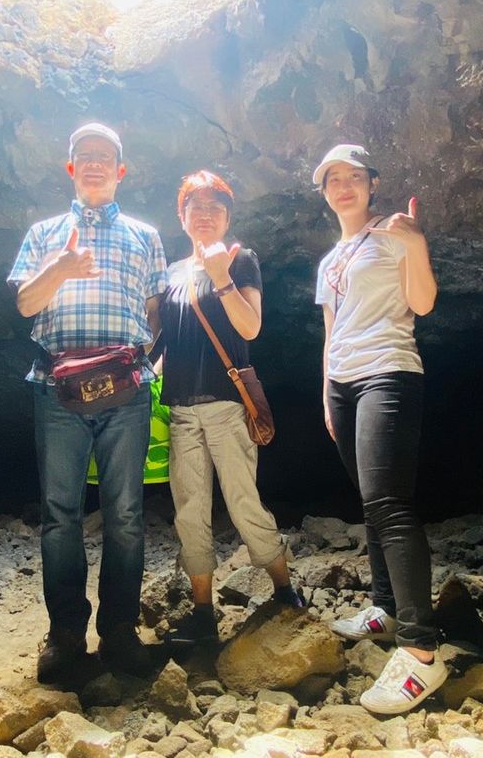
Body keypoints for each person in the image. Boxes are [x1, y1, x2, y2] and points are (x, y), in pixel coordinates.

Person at [7, 122, 168, 683]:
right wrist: (60, 268)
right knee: (60, 515)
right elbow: (26, 304)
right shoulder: (44, 234)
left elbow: (154, 314)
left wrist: (135, 362)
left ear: (120, 170)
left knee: (125, 516)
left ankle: (119, 634)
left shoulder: (146, 236)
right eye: (84, 155)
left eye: (105, 156)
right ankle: (66, 637)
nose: (94, 163)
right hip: (58, 388)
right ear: (71, 168)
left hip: (126, 391)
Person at [313, 144, 446, 714]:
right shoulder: (330, 259)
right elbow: (331, 330)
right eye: (333, 179)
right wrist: (327, 394)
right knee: (371, 502)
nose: (344, 186)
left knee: (390, 504)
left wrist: (416, 243)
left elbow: (423, 302)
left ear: (371, 183)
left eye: (354, 176)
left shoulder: (395, 234)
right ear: (324, 192)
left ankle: (420, 651)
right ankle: (386, 609)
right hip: (343, 384)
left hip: (388, 372)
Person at [155, 170, 301, 647]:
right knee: (189, 510)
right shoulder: (172, 274)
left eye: (214, 207)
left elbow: (250, 327)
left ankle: (285, 590)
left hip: (225, 406)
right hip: (181, 410)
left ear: (227, 217)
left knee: (242, 501)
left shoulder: (241, 260)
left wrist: (220, 278)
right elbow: (162, 341)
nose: (204, 214)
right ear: (181, 217)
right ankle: (203, 611)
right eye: (194, 207)